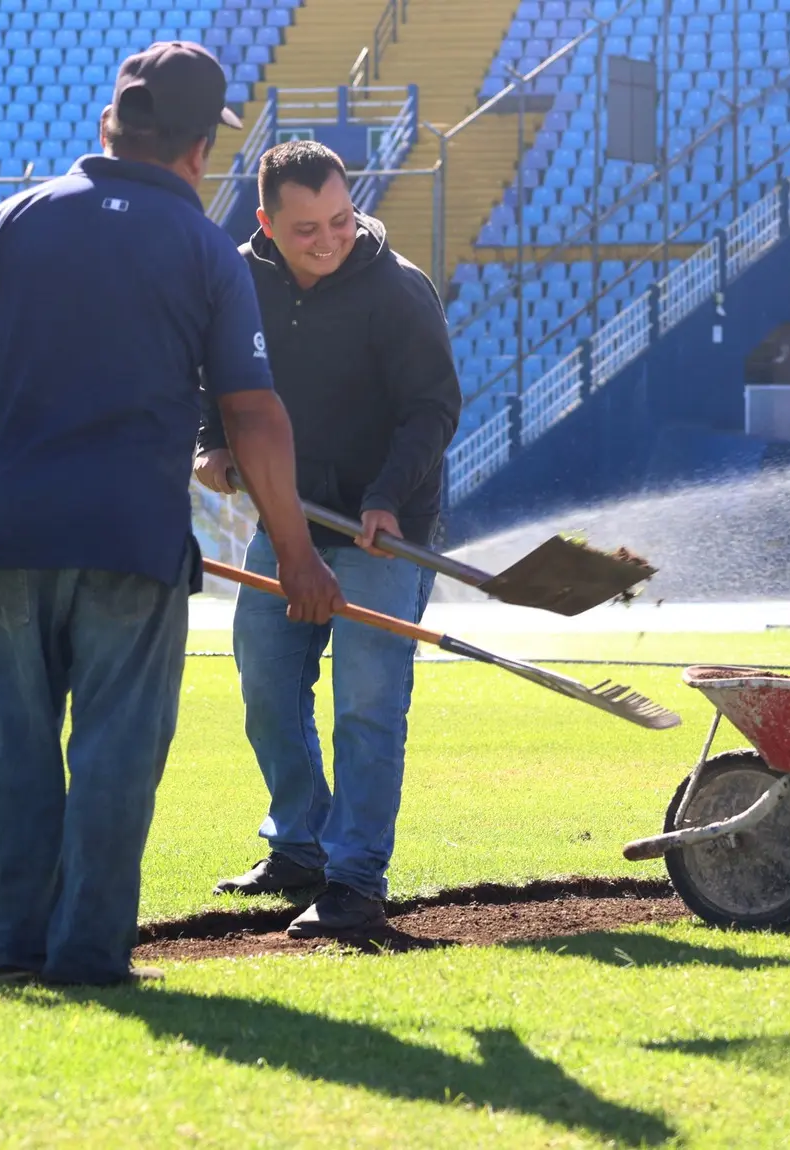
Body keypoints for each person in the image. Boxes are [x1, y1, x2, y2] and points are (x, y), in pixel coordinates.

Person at [0, 43, 343, 986]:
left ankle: (14, 951)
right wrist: (298, 554)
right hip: (130, 540)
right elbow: (252, 412)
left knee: (16, 753)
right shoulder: (202, 249)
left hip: (15, 535)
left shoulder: (16, 216)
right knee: (115, 754)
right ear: (199, 147)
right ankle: (88, 957)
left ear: (111, 122)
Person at [196, 140, 461, 938]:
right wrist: (211, 442)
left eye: (340, 220)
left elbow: (433, 410)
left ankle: (354, 881)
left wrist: (385, 500)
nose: (328, 239)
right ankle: (300, 845)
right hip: (287, 523)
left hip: (385, 530)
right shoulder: (236, 279)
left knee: (369, 707)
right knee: (267, 688)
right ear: (266, 224)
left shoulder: (399, 290)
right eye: (306, 227)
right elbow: (216, 377)